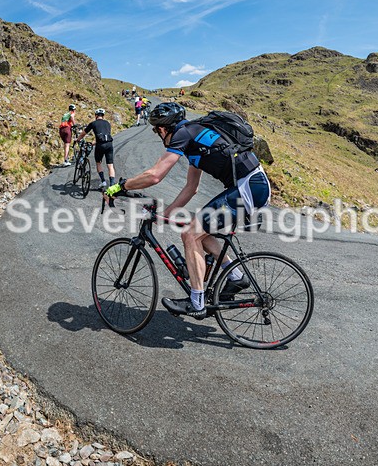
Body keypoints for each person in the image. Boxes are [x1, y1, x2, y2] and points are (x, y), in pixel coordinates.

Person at [106, 102, 271, 319]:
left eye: (157, 131)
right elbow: (191, 188)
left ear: (163, 129)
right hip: (251, 186)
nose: (158, 135)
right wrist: (167, 214)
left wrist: (121, 186)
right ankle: (235, 276)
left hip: (248, 187)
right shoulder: (194, 140)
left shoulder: (183, 134)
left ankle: (196, 302)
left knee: (190, 234)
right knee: (200, 233)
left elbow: (155, 175)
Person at [75, 108, 115, 190]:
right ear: (103, 116)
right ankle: (112, 186)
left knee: (98, 163)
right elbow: (104, 136)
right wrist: (94, 142)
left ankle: (103, 181)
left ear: (96, 116)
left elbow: (83, 134)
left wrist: (78, 139)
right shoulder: (107, 123)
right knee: (110, 165)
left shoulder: (93, 123)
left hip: (100, 146)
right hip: (109, 145)